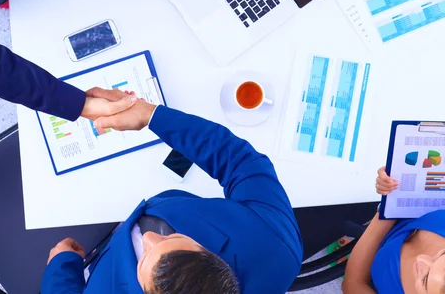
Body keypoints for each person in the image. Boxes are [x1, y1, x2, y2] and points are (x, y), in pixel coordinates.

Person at [41, 88, 303, 294]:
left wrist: (61, 269)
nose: (149, 238)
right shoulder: (275, 246)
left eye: (143, 263)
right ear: (210, 255)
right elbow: (239, 161)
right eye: (172, 239)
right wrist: (150, 115)